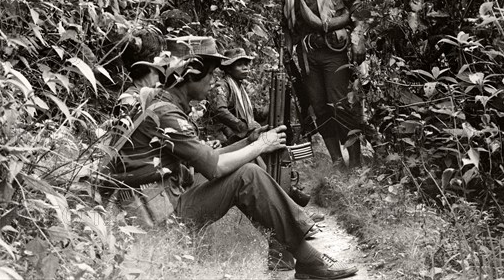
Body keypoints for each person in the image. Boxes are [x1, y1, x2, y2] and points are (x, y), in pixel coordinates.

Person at [112, 36, 358, 279]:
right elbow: (215, 168)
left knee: (247, 164)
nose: (212, 81)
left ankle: (293, 253)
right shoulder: (166, 113)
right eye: (209, 74)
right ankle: (309, 260)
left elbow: (207, 158)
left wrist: (249, 142)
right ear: (191, 74)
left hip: (166, 205)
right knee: (247, 176)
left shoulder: (164, 105)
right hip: (160, 222)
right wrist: (261, 145)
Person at [279, 0, 367, 168]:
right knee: (319, 107)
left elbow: (357, 7)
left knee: (341, 104)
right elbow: (286, 23)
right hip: (307, 54)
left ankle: (356, 163)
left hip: (335, 51)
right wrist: (286, 51)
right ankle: (337, 161)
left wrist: (358, 38)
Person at [208, 47, 265, 145]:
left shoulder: (241, 88)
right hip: (221, 136)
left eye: (246, 64)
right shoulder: (222, 85)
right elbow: (220, 110)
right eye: (239, 65)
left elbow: (255, 112)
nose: (245, 68)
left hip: (235, 134)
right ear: (229, 69)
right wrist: (244, 127)